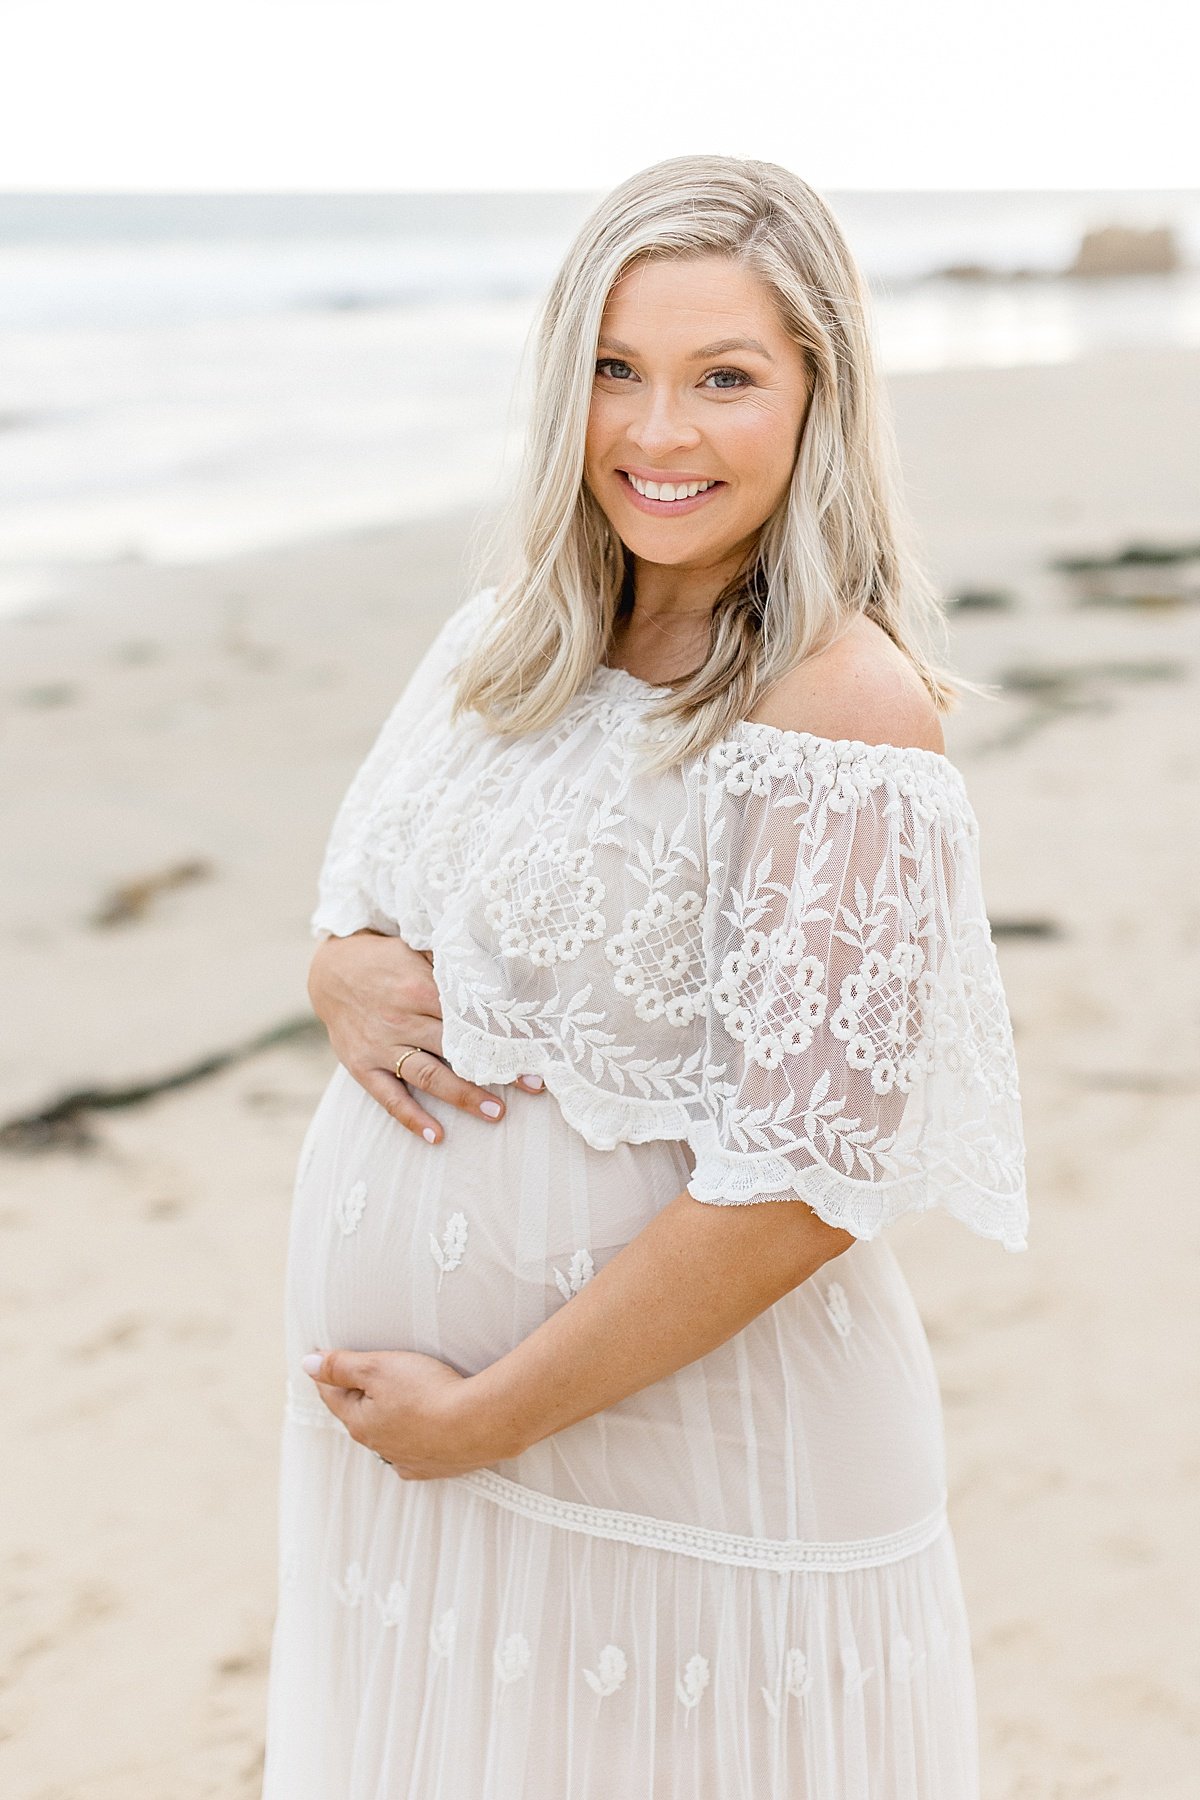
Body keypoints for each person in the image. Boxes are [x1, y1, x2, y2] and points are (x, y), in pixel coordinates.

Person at [259, 154, 1027, 1799]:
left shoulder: (841, 711)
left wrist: (489, 1418)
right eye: (617, 369)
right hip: (429, 1490)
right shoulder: (499, 639)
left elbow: (807, 1184)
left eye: (723, 378)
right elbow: (363, 913)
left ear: (819, 395)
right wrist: (335, 978)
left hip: (683, 1489)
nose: (657, 433)